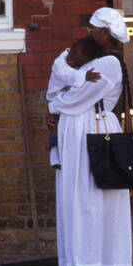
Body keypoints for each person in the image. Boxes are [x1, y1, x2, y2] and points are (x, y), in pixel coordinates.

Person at [46, 7, 133, 266]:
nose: (90, 33)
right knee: (81, 199)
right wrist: (58, 105)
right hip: (81, 131)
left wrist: (55, 106)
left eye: (94, 29)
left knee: (88, 200)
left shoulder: (108, 64)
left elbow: (77, 98)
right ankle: (87, 263)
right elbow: (66, 90)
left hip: (93, 132)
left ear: (106, 33)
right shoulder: (93, 59)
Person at [46, 36, 104, 169]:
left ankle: (60, 155)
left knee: (59, 129)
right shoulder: (59, 62)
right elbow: (65, 74)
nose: (70, 61)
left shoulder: (83, 63)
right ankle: (55, 157)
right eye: (71, 56)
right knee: (54, 129)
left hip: (64, 100)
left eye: (76, 62)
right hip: (54, 98)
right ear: (70, 49)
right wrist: (83, 76)